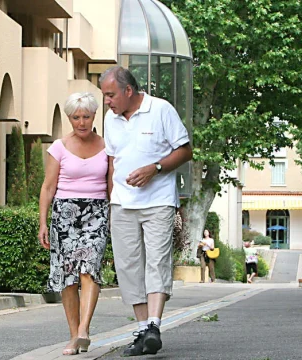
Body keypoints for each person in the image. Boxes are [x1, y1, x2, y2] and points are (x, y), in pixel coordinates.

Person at [100, 66, 193, 356]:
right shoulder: (110, 119)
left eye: (111, 95)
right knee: (128, 267)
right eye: (104, 95)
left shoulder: (161, 109)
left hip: (158, 201)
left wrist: (155, 169)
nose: (107, 101)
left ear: (129, 91)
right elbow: (112, 162)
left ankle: (154, 324)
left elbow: (185, 150)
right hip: (122, 204)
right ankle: (142, 331)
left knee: (156, 261)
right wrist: (111, 199)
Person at [38, 92, 109, 356]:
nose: (81, 122)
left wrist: (116, 213)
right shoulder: (58, 147)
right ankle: (72, 336)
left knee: (89, 268)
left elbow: (112, 184)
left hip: (97, 213)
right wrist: (43, 223)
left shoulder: (106, 146)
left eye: (86, 117)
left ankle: (84, 330)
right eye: (76, 117)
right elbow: (47, 187)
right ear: (69, 118)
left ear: (94, 116)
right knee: (67, 276)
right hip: (64, 214)